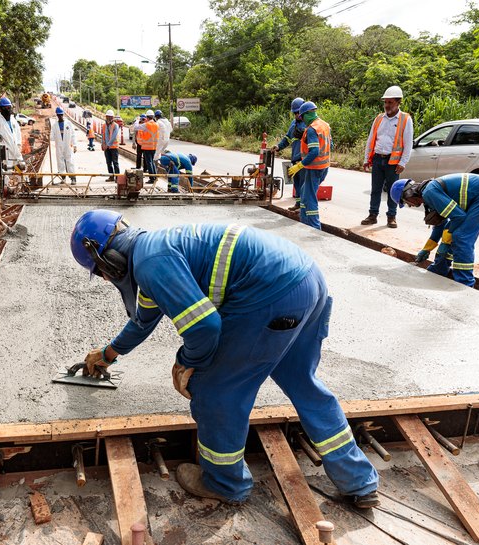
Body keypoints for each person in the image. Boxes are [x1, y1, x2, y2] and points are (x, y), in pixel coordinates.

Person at [70, 210, 380, 507]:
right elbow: (142, 321)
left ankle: (224, 484)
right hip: (306, 281)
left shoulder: (151, 263)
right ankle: (359, 481)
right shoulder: (154, 251)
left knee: (215, 392)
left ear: (109, 262)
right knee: (302, 382)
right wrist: (107, 355)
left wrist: (187, 362)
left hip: (270, 295)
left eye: (101, 274)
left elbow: (205, 328)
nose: (106, 280)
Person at [390, 173, 479, 288]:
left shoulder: (429, 192)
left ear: (409, 194)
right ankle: (438, 270)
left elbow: (459, 217)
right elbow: (440, 225)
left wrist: (445, 240)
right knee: (449, 234)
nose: (409, 205)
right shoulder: (428, 195)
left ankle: (465, 284)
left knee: (461, 236)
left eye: (405, 202)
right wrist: (427, 249)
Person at [361, 86, 413, 229]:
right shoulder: (379, 118)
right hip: (378, 158)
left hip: (393, 161)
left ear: (398, 102)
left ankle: (391, 216)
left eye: (390, 102)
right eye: (386, 102)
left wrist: (403, 162)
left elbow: (408, 144)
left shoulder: (405, 119)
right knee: (375, 189)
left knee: (392, 190)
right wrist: (367, 159)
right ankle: (373, 215)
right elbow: (371, 138)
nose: (387, 105)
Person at [287, 101, 331, 230]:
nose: (302, 119)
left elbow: (314, 152)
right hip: (324, 167)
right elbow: (330, 145)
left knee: (310, 198)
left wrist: (299, 166)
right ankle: (304, 223)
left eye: (302, 116)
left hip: (314, 168)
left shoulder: (312, 129)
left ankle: (314, 227)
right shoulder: (324, 125)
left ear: (306, 114)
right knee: (305, 196)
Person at [272, 97, 306, 211]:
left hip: (304, 158)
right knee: (296, 182)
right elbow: (287, 138)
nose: (297, 115)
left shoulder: (308, 123)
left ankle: (304, 206)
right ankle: (298, 204)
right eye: (295, 113)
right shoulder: (293, 124)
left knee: (304, 183)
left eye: (298, 112)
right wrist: (278, 147)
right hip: (295, 157)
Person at [0, 97, 24, 166]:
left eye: (9, 107)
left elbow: (18, 132)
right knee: (5, 170)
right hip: (5, 150)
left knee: (21, 167)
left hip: (16, 148)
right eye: (5, 108)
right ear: (1, 109)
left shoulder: (12, 119)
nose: (8, 109)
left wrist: (19, 144)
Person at [49, 106, 77, 185]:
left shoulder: (68, 123)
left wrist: (75, 145)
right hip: (59, 147)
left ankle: (73, 178)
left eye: (61, 115)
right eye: (59, 115)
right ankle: (63, 178)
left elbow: (73, 135)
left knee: (70, 162)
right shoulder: (54, 126)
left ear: (63, 114)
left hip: (67, 146)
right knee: (60, 163)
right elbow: (52, 136)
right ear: (57, 115)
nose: (60, 116)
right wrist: (48, 136)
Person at [133, 109, 158, 175]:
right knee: (152, 162)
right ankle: (154, 176)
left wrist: (137, 120)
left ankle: (152, 178)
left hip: (147, 147)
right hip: (154, 147)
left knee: (149, 162)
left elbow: (135, 127)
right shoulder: (156, 124)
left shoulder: (146, 125)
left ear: (147, 117)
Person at [102, 109, 120, 181]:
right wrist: (103, 144)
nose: (109, 118)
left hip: (114, 147)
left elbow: (114, 136)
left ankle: (117, 177)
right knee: (108, 162)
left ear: (112, 118)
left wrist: (108, 144)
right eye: (107, 117)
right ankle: (111, 176)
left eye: (110, 117)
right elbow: (102, 135)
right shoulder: (104, 125)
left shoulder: (116, 125)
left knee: (115, 162)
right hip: (107, 147)